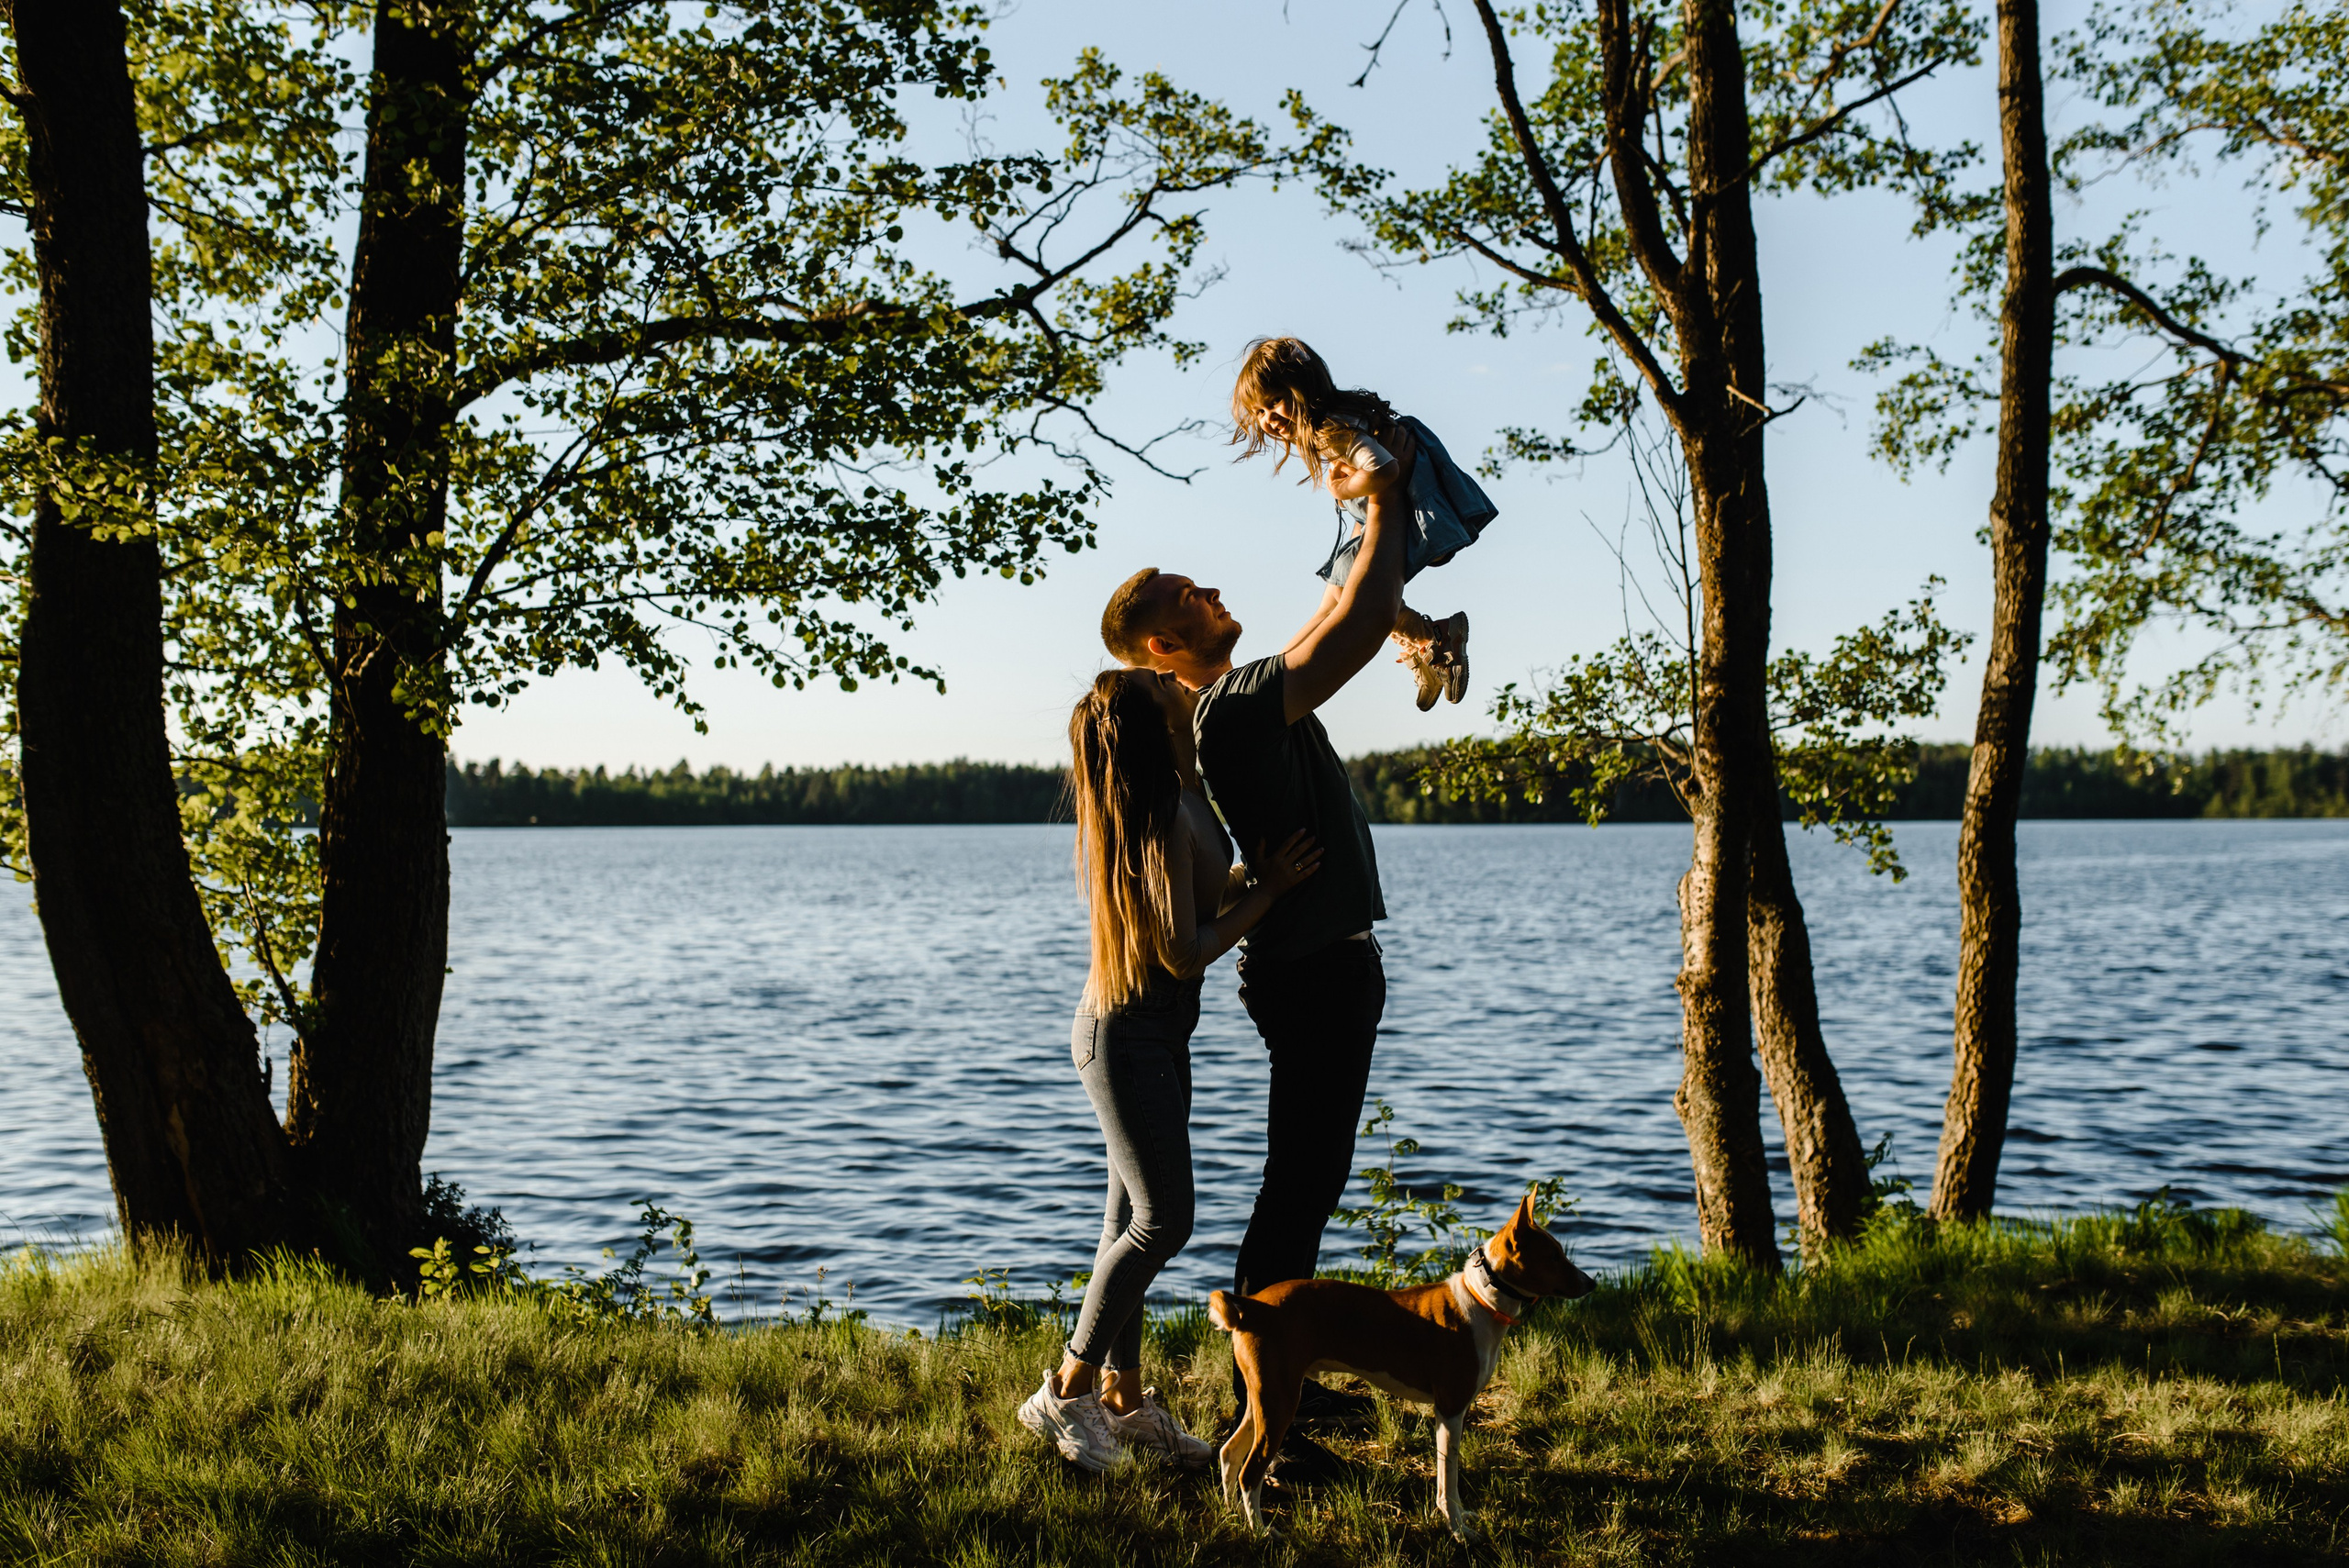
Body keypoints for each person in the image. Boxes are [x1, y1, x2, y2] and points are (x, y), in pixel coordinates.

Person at [1095, 441, 1413, 1480]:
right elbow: (1352, 624)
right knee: (1296, 1189)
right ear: (1163, 639)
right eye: (1193, 591)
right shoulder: (1230, 708)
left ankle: (1284, 1379)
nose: (1216, 587)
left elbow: (1337, 618)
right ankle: (1266, 1420)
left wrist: (1376, 535)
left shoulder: (1236, 697)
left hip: (1321, 965)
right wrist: (1386, 496)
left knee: (1307, 1186)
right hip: (1312, 970)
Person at [1016, 667, 1323, 1473]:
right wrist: (1271, 891)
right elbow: (1184, 950)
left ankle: (1124, 1400)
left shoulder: (1182, 795)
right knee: (1164, 1220)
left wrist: (1247, 881)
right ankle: (1067, 1386)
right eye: (1160, 685)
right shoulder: (1152, 812)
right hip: (1124, 1038)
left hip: (1154, 1036)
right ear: (1151, 726)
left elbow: (1193, 902)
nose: (1173, 682)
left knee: (1127, 1225)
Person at [1230, 335, 1498, 712]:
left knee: (1344, 605)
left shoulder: (1330, 429)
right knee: (1333, 604)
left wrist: (1340, 486)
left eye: (1274, 402)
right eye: (1258, 412)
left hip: (1405, 511)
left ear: (1302, 390)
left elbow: (1384, 468)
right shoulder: (1334, 422)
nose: (1268, 419)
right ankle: (1430, 638)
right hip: (1388, 512)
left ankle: (1431, 638)